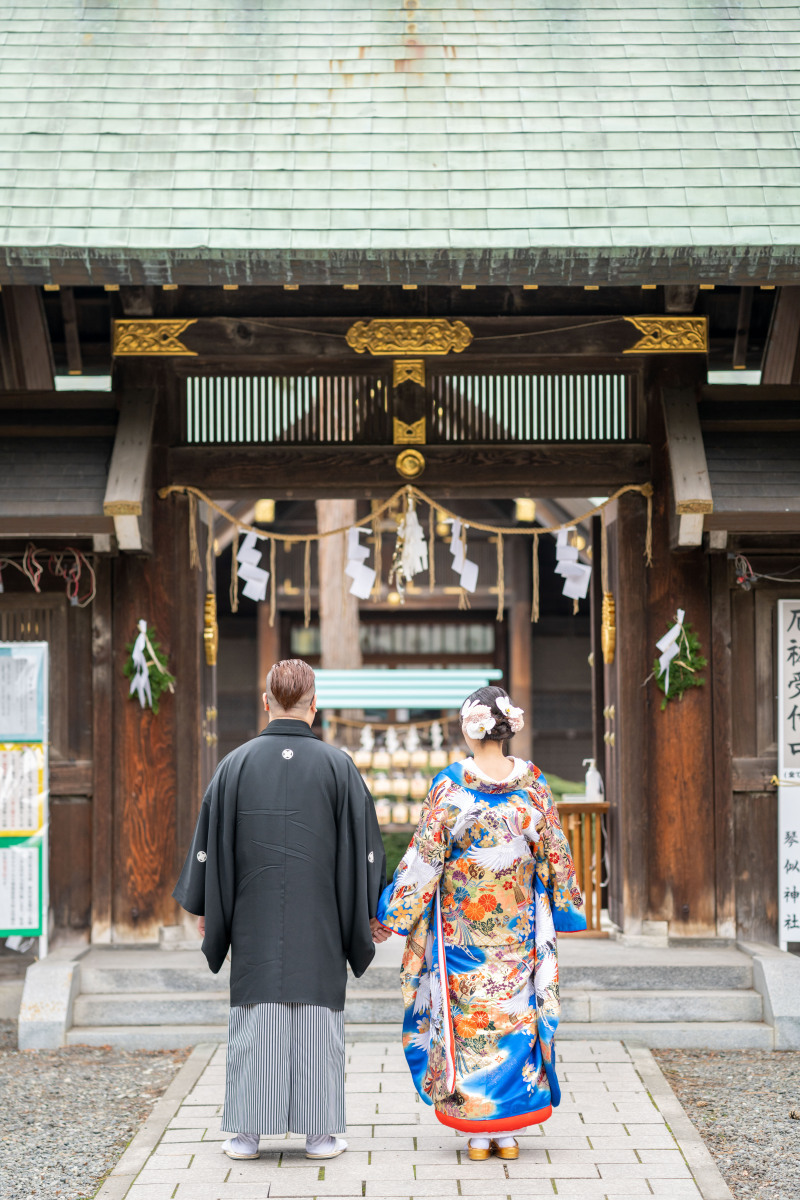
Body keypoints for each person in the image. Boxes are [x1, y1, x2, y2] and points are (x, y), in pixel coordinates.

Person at [174, 659, 387, 1162]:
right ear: (315, 705)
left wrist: (210, 906)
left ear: (266, 701)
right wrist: (369, 911)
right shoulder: (339, 767)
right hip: (321, 921)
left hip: (253, 917)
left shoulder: (235, 764)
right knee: (316, 1015)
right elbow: (367, 851)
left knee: (257, 1016)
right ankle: (319, 1135)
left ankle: (247, 1133)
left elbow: (210, 846)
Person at [375, 686, 586, 1161]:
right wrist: (567, 903)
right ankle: (509, 1134)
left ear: (469, 729)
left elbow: (424, 860)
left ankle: (476, 1132)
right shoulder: (533, 784)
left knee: (470, 1024)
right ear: (506, 727)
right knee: (516, 1017)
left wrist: (394, 912)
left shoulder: (450, 786)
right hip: (518, 930)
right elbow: (555, 851)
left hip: (461, 932)